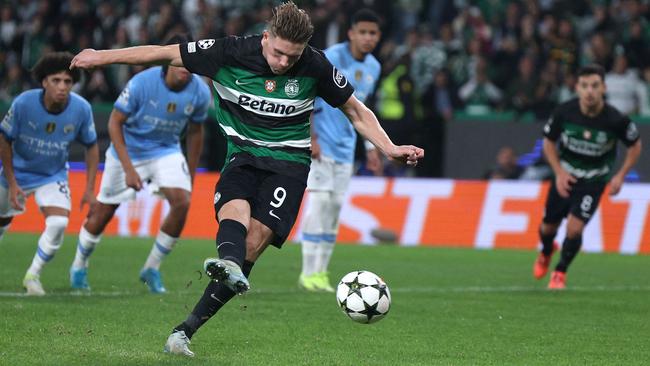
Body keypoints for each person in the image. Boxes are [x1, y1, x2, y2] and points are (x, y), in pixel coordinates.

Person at [70, 1, 423, 357]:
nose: (285, 63)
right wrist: (101, 56)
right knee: (233, 212)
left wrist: (389, 147)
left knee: (254, 241)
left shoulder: (314, 64)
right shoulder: (228, 52)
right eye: (280, 53)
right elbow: (162, 53)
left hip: (289, 164)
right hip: (241, 156)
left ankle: (187, 327)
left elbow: (355, 110)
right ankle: (227, 271)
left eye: (293, 57)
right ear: (266, 37)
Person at [68, 34, 210, 294]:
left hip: (165, 150)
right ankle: (79, 265)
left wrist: (190, 173)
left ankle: (151, 269)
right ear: (168, 63)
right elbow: (114, 123)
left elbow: (195, 131)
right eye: (182, 64)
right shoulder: (142, 83)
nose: (187, 71)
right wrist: (129, 169)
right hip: (129, 149)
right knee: (102, 214)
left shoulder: (199, 90)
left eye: (191, 65)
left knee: (182, 202)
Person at [533, 64, 641, 290]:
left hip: (593, 181)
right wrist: (559, 172)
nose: (589, 91)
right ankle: (546, 251)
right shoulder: (564, 112)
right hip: (566, 177)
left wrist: (620, 175)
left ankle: (560, 271)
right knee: (547, 228)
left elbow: (635, 145)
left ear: (604, 88)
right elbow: (548, 142)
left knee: (574, 229)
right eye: (584, 86)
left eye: (594, 86)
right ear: (577, 88)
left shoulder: (615, 119)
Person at [0, 52, 99, 296]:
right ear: (44, 82)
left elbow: (92, 146)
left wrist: (89, 189)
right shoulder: (23, 103)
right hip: (17, 173)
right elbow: (4, 141)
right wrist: (12, 183)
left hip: (51, 176)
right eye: (56, 80)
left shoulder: (81, 108)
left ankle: (32, 275)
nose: (62, 87)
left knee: (58, 222)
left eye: (67, 82)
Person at [298, 9, 382, 292]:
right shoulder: (330, 56)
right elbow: (306, 93)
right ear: (351, 33)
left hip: (347, 147)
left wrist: (370, 145)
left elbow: (363, 110)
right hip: (322, 144)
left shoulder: (374, 67)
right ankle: (308, 272)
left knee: (334, 209)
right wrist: (311, 137)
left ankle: (322, 272)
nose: (368, 38)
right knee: (319, 204)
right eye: (363, 32)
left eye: (373, 33)